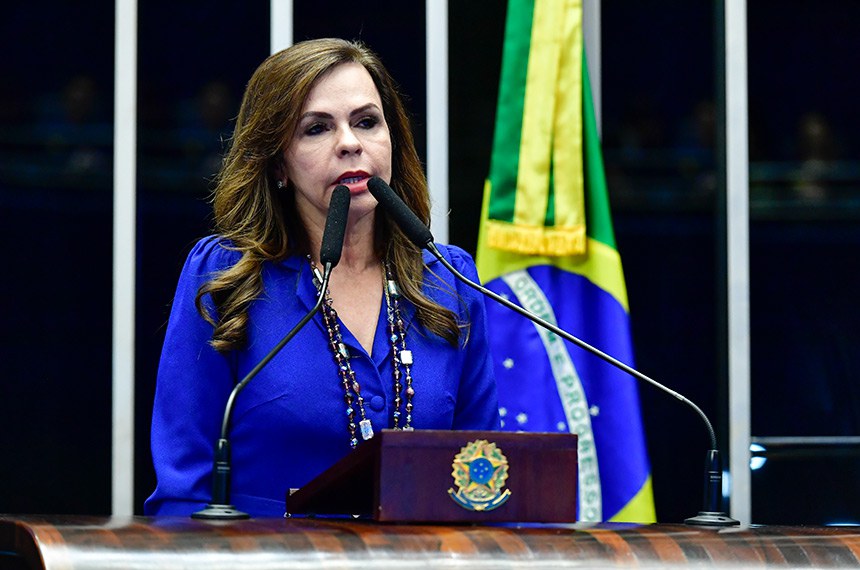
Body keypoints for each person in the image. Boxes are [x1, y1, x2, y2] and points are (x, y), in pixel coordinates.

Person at [144, 38, 500, 517]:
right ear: (278, 164)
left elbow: (485, 481)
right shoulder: (226, 276)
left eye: (367, 122)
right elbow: (183, 492)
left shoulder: (450, 282)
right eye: (317, 128)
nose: (350, 143)